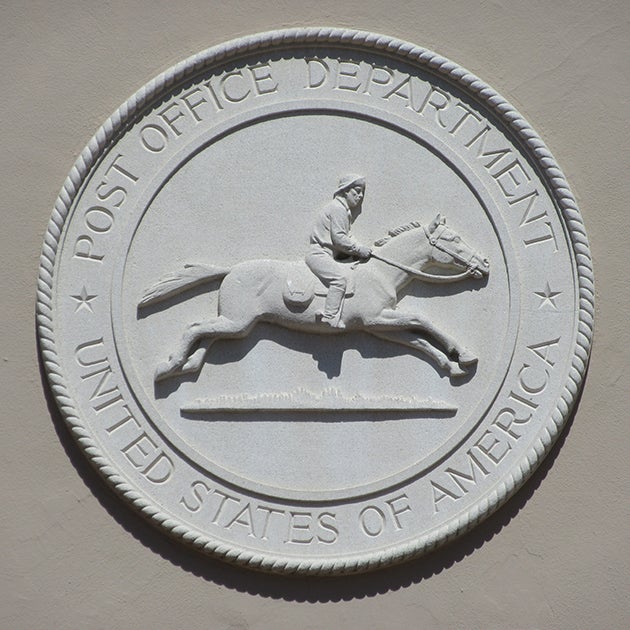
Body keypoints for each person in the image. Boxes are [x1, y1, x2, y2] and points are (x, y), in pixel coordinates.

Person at [305, 174, 372, 328]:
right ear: (345, 191)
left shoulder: (343, 210)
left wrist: (363, 249)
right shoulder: (337, 208)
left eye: (362, 192)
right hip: (319, 255)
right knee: (339, 279)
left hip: (327, 255)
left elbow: (348, 236)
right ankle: (329, 316)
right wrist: (358, 250)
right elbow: (339, 239)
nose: (360, 196)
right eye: (357, 190)